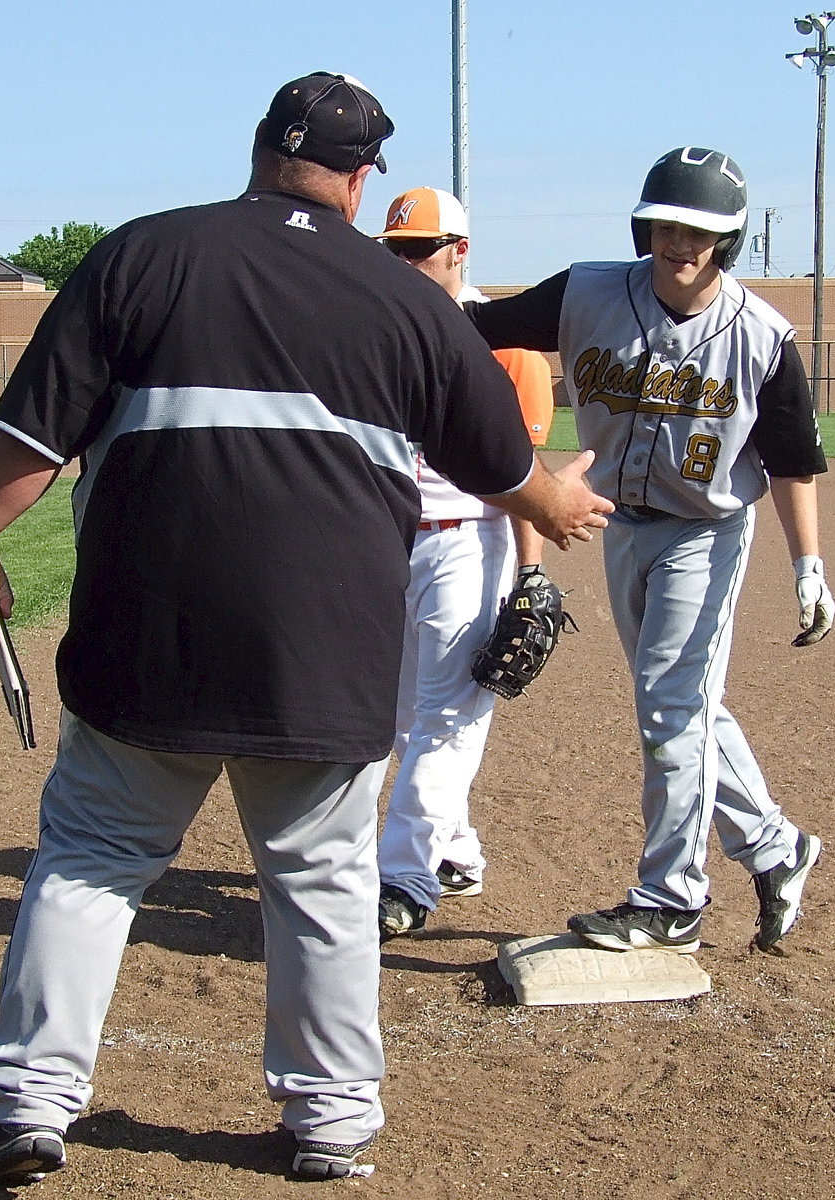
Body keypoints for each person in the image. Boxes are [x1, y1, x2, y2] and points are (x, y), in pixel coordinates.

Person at [0, 72, 613, 1184]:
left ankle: (28, 1105)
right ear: (361, 178)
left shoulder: (140, 255)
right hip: (323, 657)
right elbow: (509, 475)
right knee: (323, 882)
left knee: (93, 860)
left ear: (258, 151)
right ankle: (332, 1122)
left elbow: (26, 445)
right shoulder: (406, 302)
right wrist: (562, 504)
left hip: (145, 641)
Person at [465, 146, 835, 957]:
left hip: (704, 534)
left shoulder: (761, 337)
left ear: (728, 239)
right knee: (685, 706)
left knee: (671, 711)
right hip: (619, 528)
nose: (679, 241)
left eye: (699, 229)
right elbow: (478, 325)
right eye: (666, 223)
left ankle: (672, 899)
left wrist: (808, 567)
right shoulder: (586, 292)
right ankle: (776, 849)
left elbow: (791, 461)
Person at [373, 187, 555, 941]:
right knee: (400, 719)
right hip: (386, 537)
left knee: (446, 716)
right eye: (397, 250)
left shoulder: (505, 344)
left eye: (422, 248)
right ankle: (454, 852)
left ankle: (403, 877)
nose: (408, 262)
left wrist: (530, 573)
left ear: (461, 249)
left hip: (466, 539)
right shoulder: (378, 328)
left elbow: (527, 469)